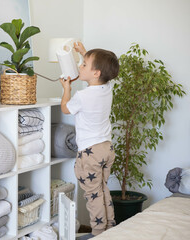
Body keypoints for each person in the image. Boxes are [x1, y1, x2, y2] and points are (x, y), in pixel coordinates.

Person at [60, 42, 119, 240]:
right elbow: (100, 72)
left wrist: (66, 88)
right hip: (106, 148)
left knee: (92, 195)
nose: (80, 66)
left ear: (96, 73)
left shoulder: (82, 96)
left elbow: (66, 108)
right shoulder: (107, 87)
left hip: (90, 152)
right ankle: (110, 226)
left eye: (84, 64)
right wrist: (84, 53)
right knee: (102, 189)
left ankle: (98, 232)